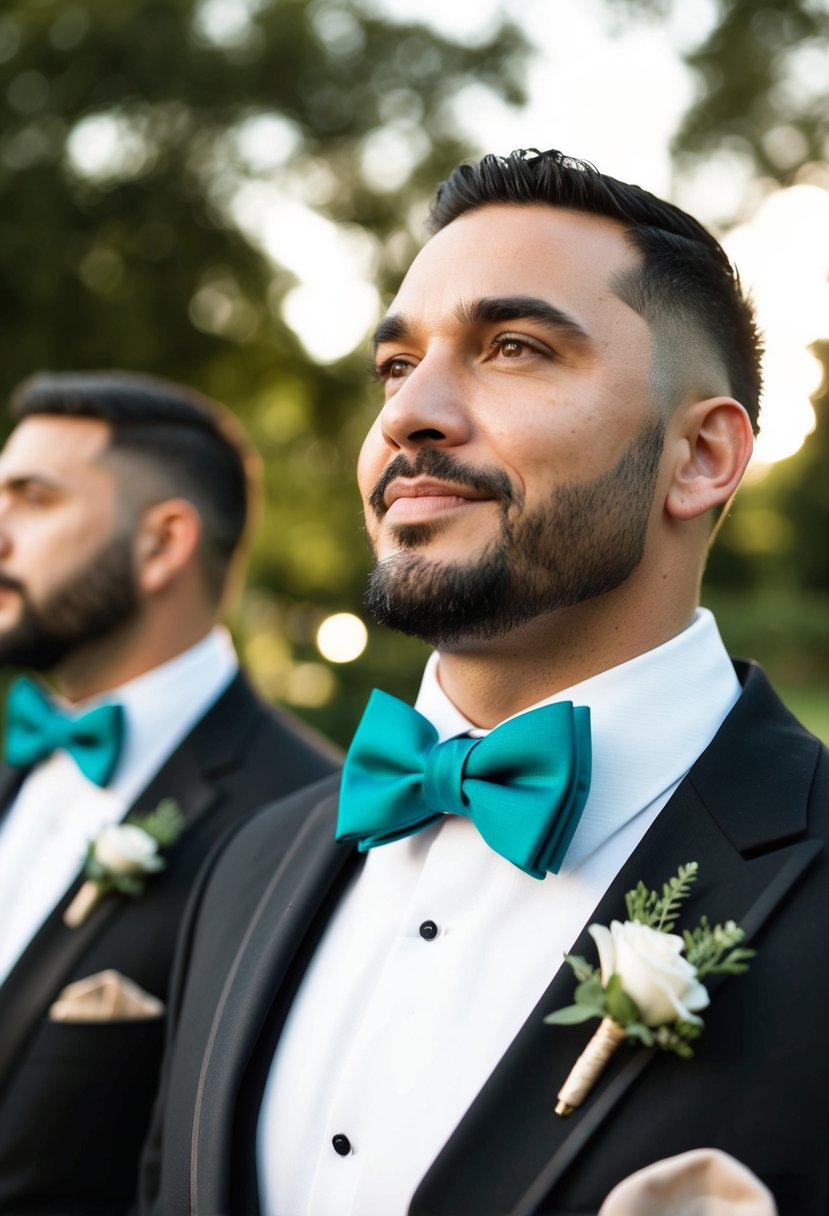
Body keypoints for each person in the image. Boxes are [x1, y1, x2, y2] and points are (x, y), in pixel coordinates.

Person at [140, 149, 829, 1216]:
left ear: (699, 456)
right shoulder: (251, 863)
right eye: (394, 366)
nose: (409, 414)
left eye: (513, 347)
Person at [0, 370, 340, 1216]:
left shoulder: (307, 822)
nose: (0, 531)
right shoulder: (17, 758)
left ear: (162, 544)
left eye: (32, 500)